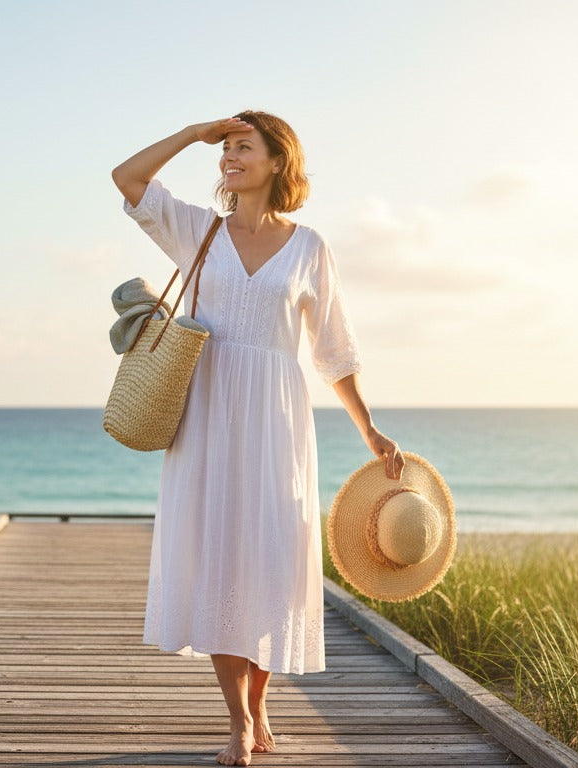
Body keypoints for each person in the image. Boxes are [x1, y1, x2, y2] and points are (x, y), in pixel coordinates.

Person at [111, 111, 403, 766]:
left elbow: (334, 350)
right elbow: (126, 178)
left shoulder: (309, 248)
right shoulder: (199, 231)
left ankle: (261, 699)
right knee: (219, 560)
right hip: (209, 415)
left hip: (276, 420)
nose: (229, 158)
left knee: (269, 562)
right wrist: (193, 134)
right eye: (228, 150)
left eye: (244, 148)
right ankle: (239, 720)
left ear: (278, 161)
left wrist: (368, 428)